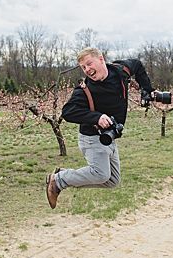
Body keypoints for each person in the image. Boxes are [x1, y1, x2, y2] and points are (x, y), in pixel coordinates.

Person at [46, 47, 158, 209]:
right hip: (92, 138)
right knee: (101, 174)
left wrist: (147, 90)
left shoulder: (121, 70)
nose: (87, 69)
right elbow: (68, 111)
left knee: (112, 181)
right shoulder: (85, 90)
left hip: (110, 137)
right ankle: (59, 180)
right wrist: (97, 117)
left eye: (89, 63)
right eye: (83, 67)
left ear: (101, 59)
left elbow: (138, 65)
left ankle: (64, 178)